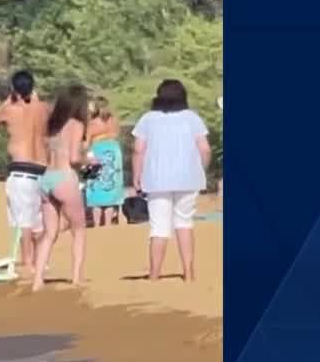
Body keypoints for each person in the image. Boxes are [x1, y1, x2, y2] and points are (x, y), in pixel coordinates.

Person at [131, 79, 212, 282]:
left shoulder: (148, 119)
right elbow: (204, 149)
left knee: (159, 226)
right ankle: (188, 272)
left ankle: (154, 274)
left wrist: (136, 175)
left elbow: (138, 150)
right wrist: (201, 169)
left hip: (156, 179)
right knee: (184, 223)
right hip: (188, 179)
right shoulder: (192, 118)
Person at [31, 84, 91, 292]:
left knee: (49, 233)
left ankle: (38, 279)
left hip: (47, 176)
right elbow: (74, 157)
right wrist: (90, 160)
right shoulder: (75, 125)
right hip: (64, 177)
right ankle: (76, 278)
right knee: (79, 229)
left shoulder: (52, 125)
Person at [0, 70, 50, 274]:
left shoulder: (11, 110)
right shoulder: (43, 109)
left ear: (14, 89)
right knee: (39, 219)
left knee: (24, 221)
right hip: (42, 170)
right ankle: (40, 260)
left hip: (21, 170)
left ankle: (28, 262)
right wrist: (35, 100)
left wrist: (8, 100)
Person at [84, 96, 124, 226]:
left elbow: (86, 142)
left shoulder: (92, 123)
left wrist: (88, 156)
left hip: (97, 152)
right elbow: (117, 134)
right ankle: (108, 223)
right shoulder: (114, 120)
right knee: (111, 188)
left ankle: (96, 223)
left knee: (95, 188)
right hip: (114, 152)